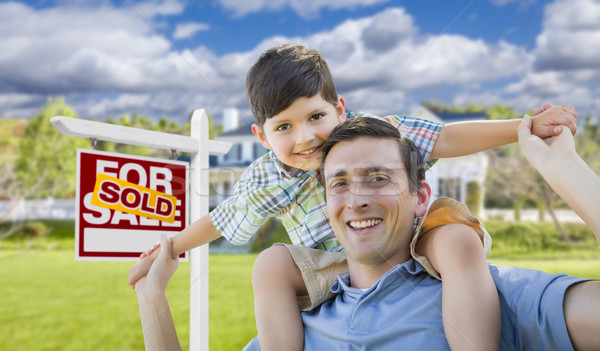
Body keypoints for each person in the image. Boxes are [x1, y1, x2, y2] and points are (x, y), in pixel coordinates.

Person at [128, 44, 578, 350]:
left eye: (315, 117)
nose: (305, 138)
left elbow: (446, 137)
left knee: (456, 241)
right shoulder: (266, 178)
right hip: (337, 262)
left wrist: (524, 127)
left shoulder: (376, 135)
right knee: (270, 264)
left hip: (413, 237)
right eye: (284, 127)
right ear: (262, 137)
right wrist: (168, 248)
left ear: (340, 109)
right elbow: (224, 219)